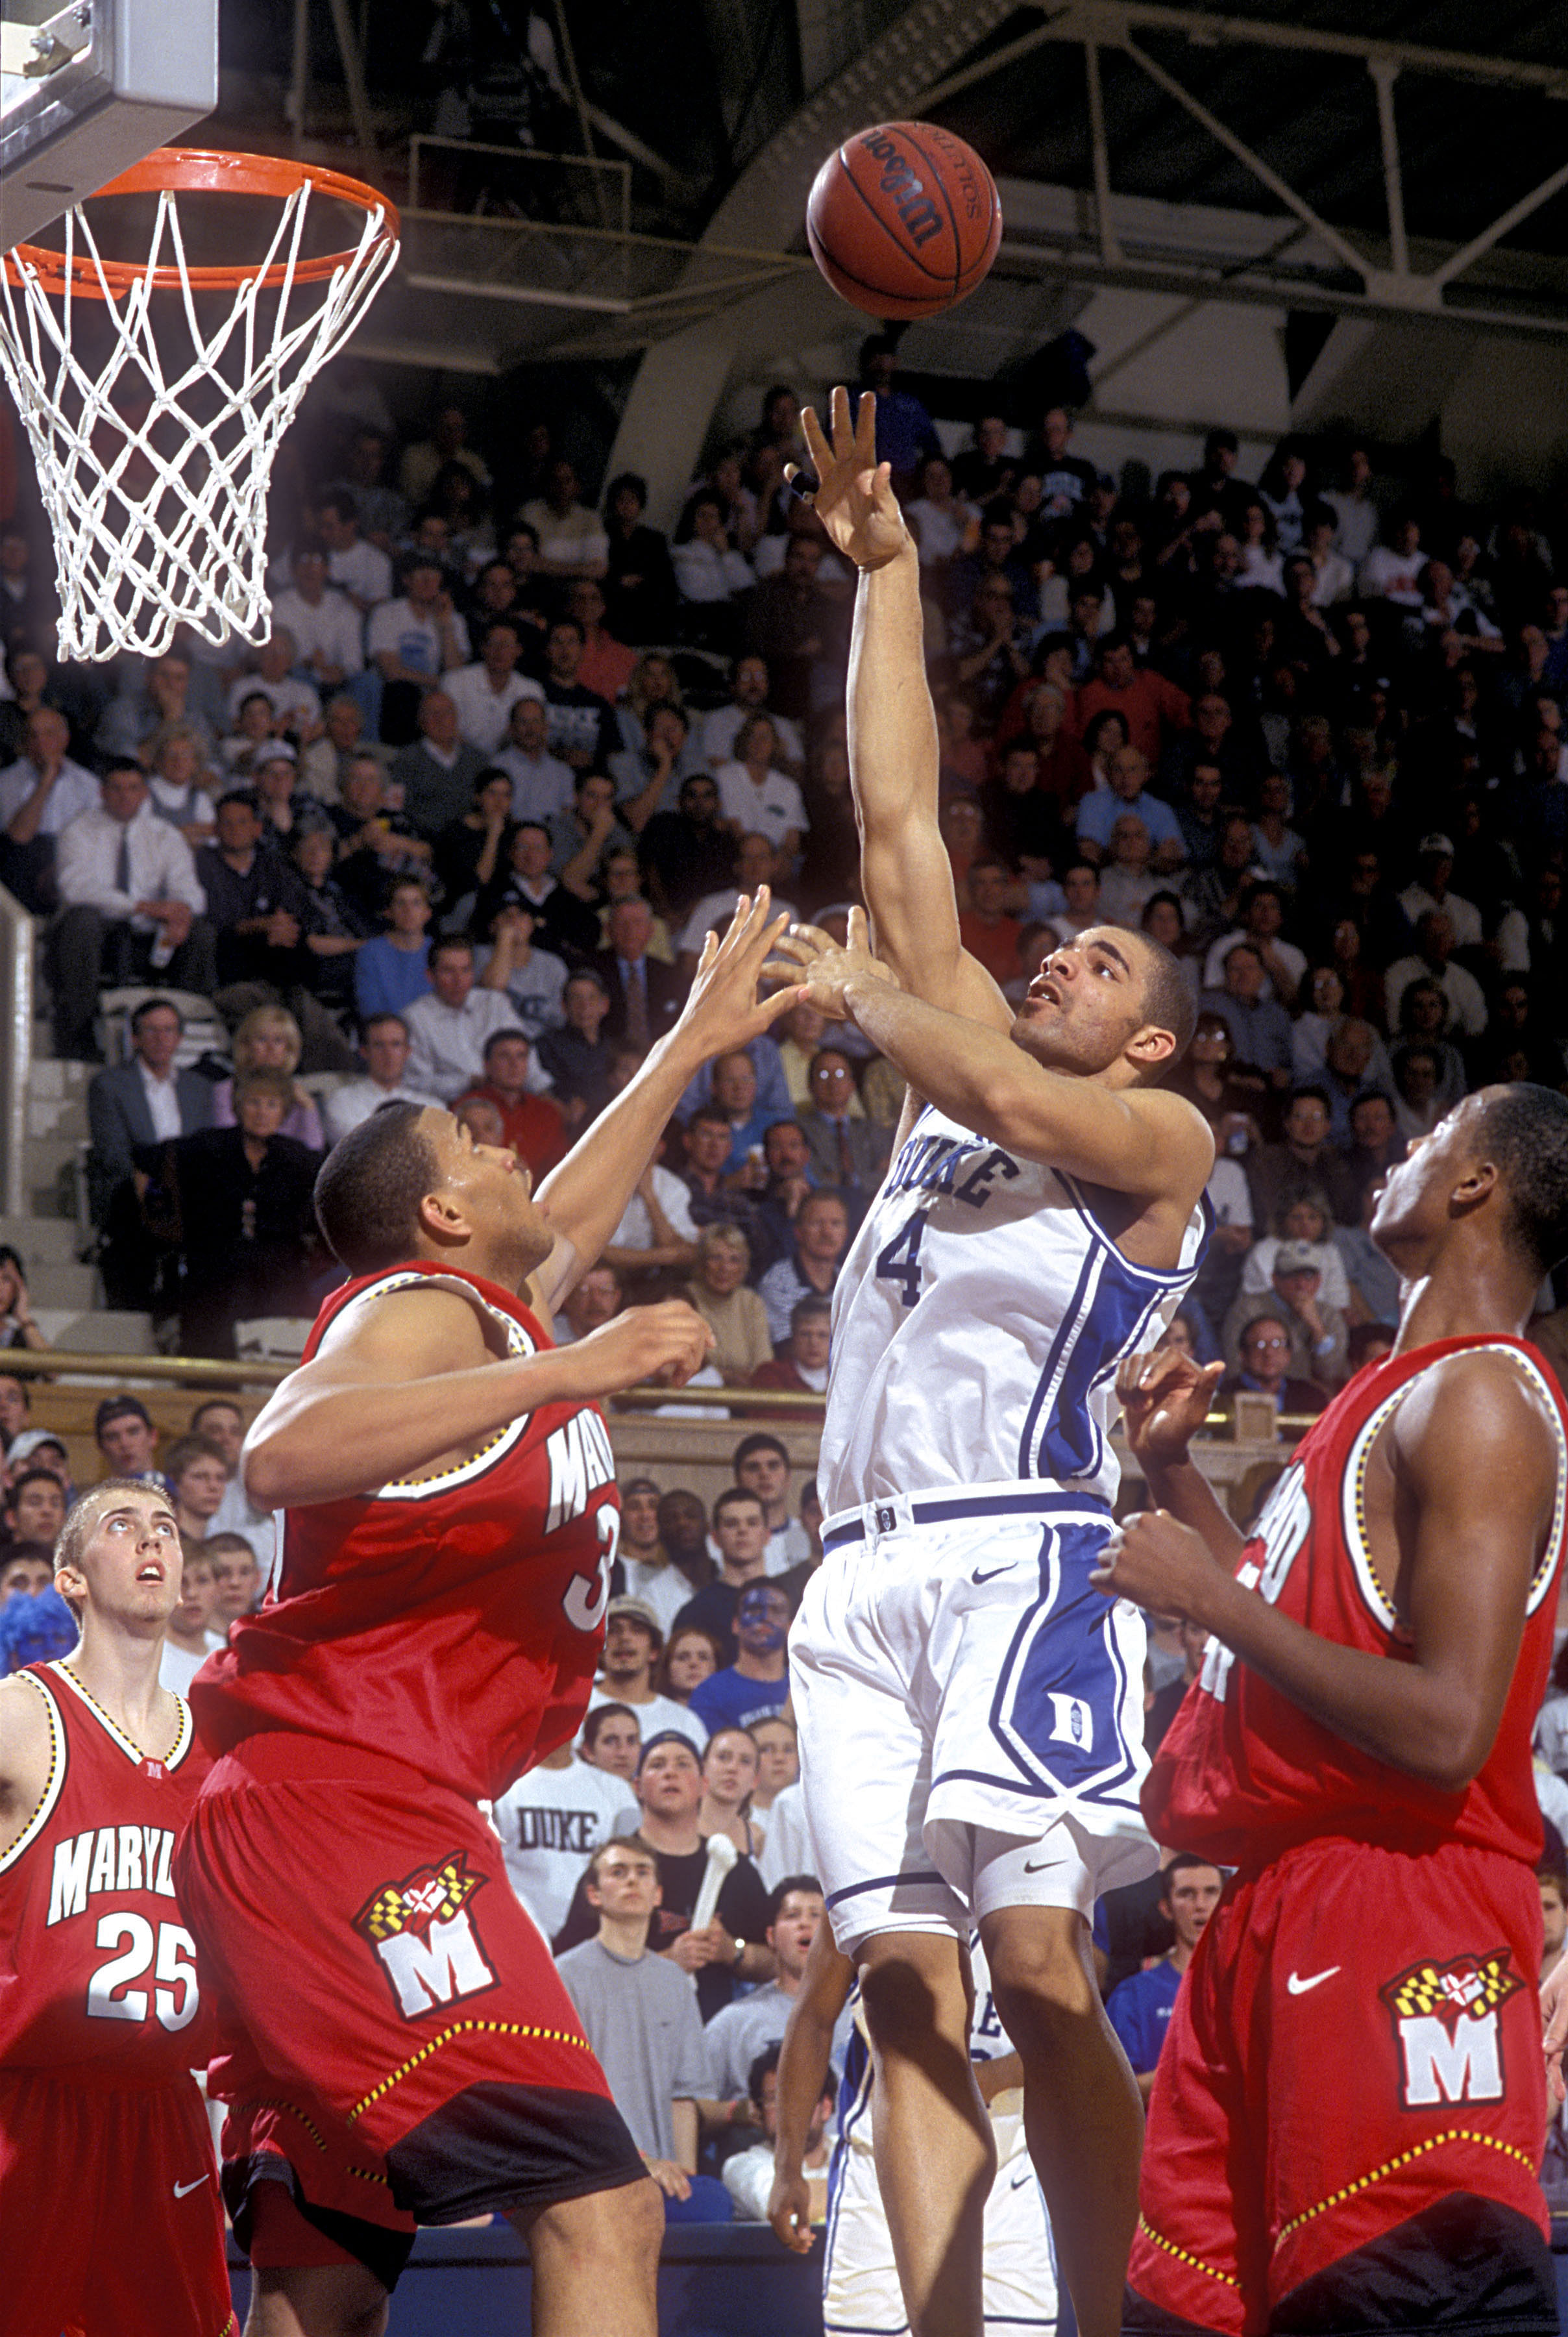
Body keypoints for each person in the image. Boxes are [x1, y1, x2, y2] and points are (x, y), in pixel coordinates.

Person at [173, 895, 797, 2329]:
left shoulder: (494, 1309)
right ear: (443, 1218)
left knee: (322, 2283)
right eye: (473, 1144)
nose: (509, 1141)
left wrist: (690, 1039)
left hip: (340, 1812)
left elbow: (572, 1201)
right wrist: (567, 1375)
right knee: (603, 2201)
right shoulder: (417, 1310)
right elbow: (280, 1453)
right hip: (342, 1813)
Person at [772, 389, 1213, 2337]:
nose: (1058, 968)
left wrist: (877, 990)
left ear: (1151, 1047)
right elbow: (890, 822)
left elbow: (928, 1024)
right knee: (897, 1991)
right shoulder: (969, 1064)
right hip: (850, 1580)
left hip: (1019, 1552)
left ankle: (1098, 2316)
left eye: (1103, 970)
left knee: (1043, 1964)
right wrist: (890, 574)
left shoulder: (1159, 1152)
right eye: (1059, 954)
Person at [1098, 1082, 1568, 2337]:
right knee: (1186, 2314)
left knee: (1401, 2296)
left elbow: (1447, 1728)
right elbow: (1289, 1626)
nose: (1396, 1151)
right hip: (1283, 1900)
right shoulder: (1384, 1394)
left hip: (1405, 1909)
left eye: (1427, 1138)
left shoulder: (1481, 1401)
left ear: (1478, 1183)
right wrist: (1172, 1479)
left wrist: (1209, 1594)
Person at [0, 1479, 232, 2336]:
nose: (152, 1541)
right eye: (122, 1525)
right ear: (70, 1577)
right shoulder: (23, 1713)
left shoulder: (217, 1740)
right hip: (29, 2106)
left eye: (168, 1529)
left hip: (165, 2108)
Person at [770, 1922, 1058, 2337]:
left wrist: (988, 2077)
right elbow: (813, 2017)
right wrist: (787, 2165)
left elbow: (1070, 2041)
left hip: (1005, 2168)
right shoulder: (867, 1884)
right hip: (878, 2172)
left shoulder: (1028, 1894)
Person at [554, 1837, 731, 2219]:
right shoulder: (564, 1976)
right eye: (618, 1873)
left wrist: (686, 2176)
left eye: (642, 1872)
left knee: (711, 2203)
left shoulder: (674, 1981)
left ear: (657, 1894)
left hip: (664, 2179)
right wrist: (636, 2161)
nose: (632, 1881)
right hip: (591, 2177)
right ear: (594, 1894)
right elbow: (566, 2097)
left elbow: (683, 2096)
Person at [492, 1734, 639, 1947]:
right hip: (513, 1934)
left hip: (593, 1938)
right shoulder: (498, 1782)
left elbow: (631, 1864)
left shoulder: (615, 1790)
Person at [1103, 1854, 1223, 2099]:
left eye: (1211, 1892)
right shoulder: (1134, 1995)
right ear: (1166, 1908)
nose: (1200, 1904)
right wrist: (1190, 2071)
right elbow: (1113, 2092)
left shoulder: (1247, 1988)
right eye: (1187, 1894)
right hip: (1162, 2137)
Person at [689, 1581, 792, 1736]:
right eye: (755, 1610)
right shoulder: (710, 1694)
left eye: (776, 1611)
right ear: (736, 1625)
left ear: (790, 1627)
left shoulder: (806, 1685)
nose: (766, 1618)